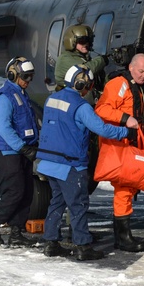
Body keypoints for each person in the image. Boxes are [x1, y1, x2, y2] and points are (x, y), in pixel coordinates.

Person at [36, 65, 136, 261]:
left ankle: (51, 242)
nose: (87, 89)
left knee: (56, 203)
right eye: (88, 86)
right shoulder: (81, 107)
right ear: (82, 84)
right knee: (78, 205)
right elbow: (102, 129)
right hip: (70, 164)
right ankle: (83, 246)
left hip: (48, 161)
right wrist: (127, 132)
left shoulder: (51, 99)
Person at [94, 53, 144, 252]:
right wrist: (125, 118)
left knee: (127, 189)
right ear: (131, 67)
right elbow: (101, 109)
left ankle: (123, 235)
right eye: (141, 71)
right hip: (120, 146)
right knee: (124, 190)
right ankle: (122, 237)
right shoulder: (119, 84)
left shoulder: (140, 87)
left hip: (132, 145)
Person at [0, 56, 40, 247]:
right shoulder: (5, 98)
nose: (28, 80)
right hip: (9, 154)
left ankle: (17, 231)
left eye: (31, 76)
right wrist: (23, 148)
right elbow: (5, 129)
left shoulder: (21, 94)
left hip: (23, 152)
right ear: (13, 74)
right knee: (14, 193)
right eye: (26, 76)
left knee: (27, 193)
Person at [54, 24, 107, 97]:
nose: (86, 44)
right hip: (69, 98)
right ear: (72, 41)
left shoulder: (84, 58)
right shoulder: (64, 59)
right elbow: (84, 71)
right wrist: (102, 60)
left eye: (89, 40)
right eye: (82, 41)